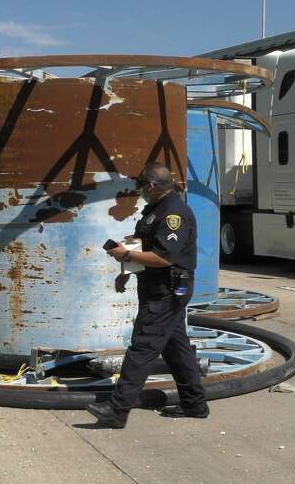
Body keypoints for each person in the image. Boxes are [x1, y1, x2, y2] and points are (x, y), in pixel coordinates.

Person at [86, 162, 207, 428]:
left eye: (142, 186)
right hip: (158, 287)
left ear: (151, 186)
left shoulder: (174, 213)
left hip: (167, 290)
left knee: (142, 348)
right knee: (177, 349)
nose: (139, 191)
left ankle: (116, 411)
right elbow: (147, 244)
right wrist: (126, 267)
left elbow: (163, 257)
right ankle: (194, 404)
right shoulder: (156, 210)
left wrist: (126, 255)